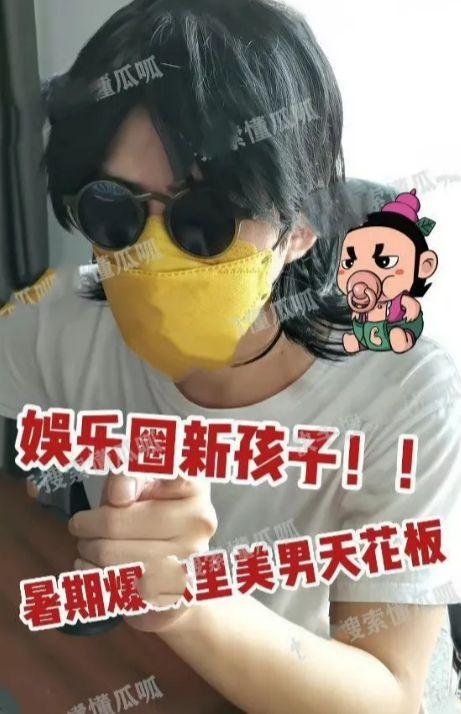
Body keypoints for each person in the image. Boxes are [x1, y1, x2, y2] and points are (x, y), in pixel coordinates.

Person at [1, 0, 461, 711]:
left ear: (300, 228)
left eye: (205, 219)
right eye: (113, 209)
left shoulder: (404, 396)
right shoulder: (59, 322)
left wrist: (192, 596)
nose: (151, 255)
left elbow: (391, 694)